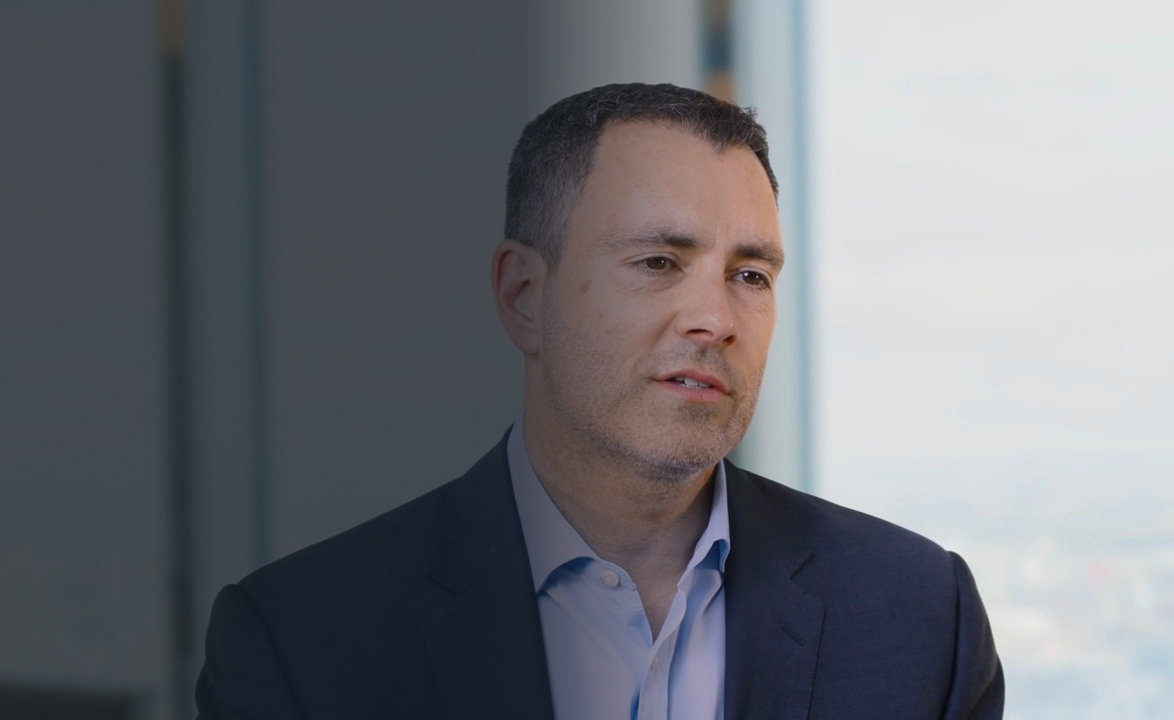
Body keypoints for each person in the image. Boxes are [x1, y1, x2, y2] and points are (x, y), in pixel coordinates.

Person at [195, 82, 1003, 719]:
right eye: (658, 263)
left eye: (751, 275)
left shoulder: (919, 616)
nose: (717, 319)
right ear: (524, 296)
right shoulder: (302, 641)